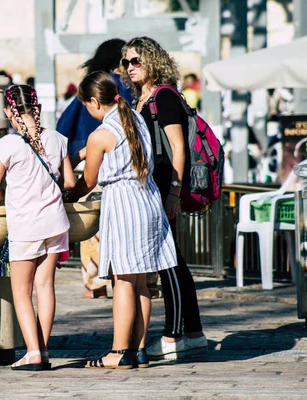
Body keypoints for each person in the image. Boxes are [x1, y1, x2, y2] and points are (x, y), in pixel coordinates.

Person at [65, 71, 177, 369]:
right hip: (148, 199)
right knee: (141, 283)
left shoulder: (100, 134)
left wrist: (67, 196)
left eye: (86, 106)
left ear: (93, 102)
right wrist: (78, 155)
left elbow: (87, 182)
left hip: (125, 205)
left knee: (123, 281)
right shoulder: (134, 119)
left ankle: (118, 351)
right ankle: (138, 350)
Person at [120, 36, 208, 360]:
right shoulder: (142, 100)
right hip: (151, 187)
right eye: (126, 62)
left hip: (164, 186)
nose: (130, 67)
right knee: (173, 259)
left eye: (136, 61)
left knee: (167, 259)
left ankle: (173, 336)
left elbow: (179, 147)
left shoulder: (164, 97)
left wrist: (173, 191)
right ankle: (194, 332)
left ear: (152, 61)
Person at [0, 84, 75, 370]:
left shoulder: (8, 145)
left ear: (7, 112)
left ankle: (33, 352)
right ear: (36, 107)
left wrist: (8, 199)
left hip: (26, 226)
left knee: (21, 293)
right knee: (45, 287)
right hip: (56, 223)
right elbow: (70, 183)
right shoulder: (58, 139)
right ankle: (44, 350)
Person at [55, 38, 135, 300]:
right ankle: (145, 280)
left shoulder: (93, 87)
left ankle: (96, 283)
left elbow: (64, 127)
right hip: (132, 173)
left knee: (93, 231)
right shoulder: (130, 87)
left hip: (96, 169)